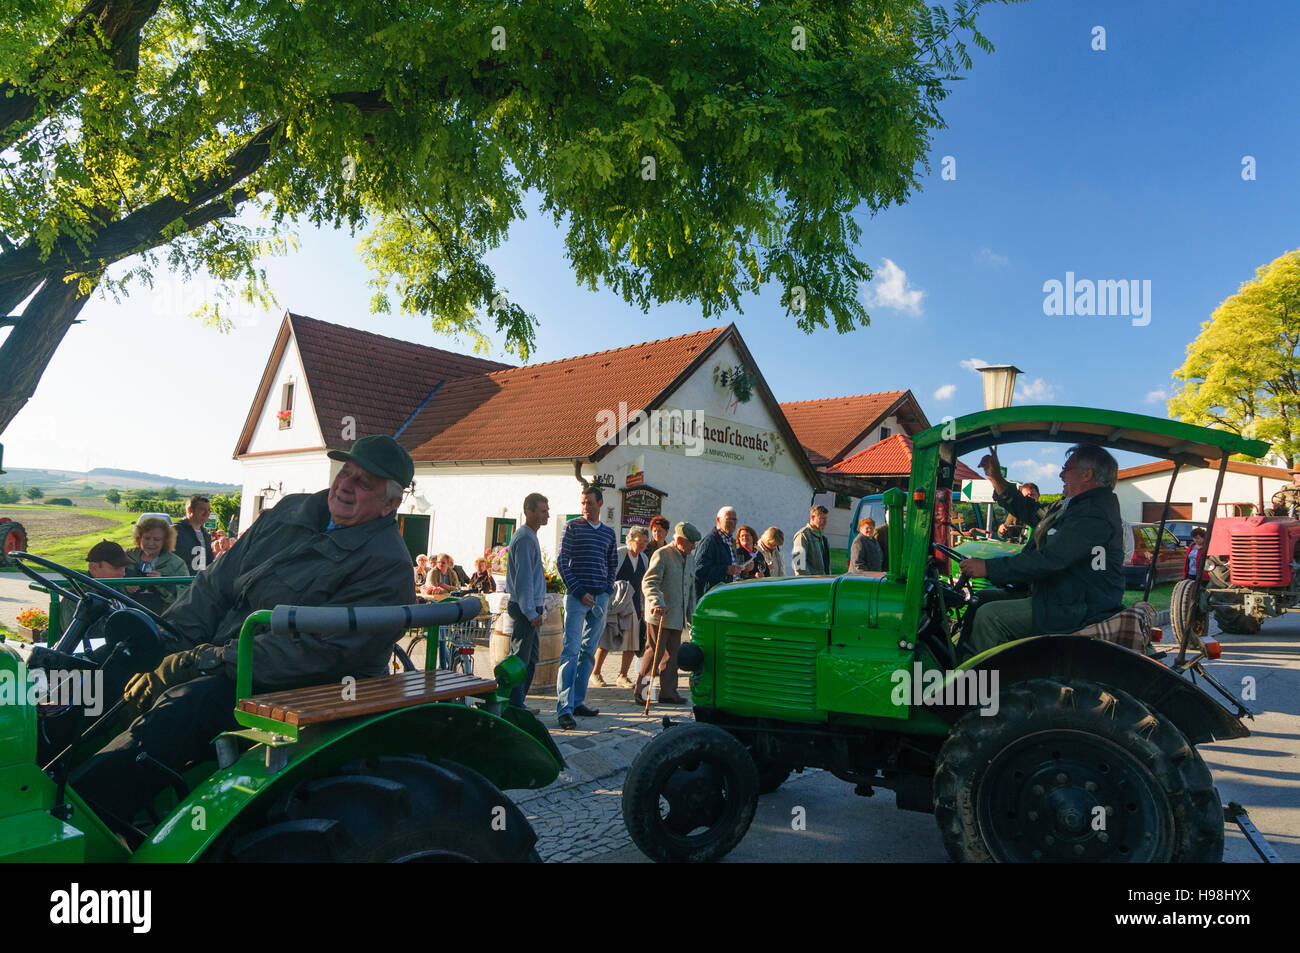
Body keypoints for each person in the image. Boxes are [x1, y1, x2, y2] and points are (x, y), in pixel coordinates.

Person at [69, 434, 417, 840]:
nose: (345, 485)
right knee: (107, 666)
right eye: (346, 471)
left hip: (292, 682)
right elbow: (215, 583)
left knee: (182, 709)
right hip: (224, 655)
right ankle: (39, 779)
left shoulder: (386, 565)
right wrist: (171, 642)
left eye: (364, 483)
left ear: (390, 503)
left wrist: (204, 661)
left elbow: (319, 654)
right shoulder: (291, 510)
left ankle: (79, 826)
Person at [956, 444, 1124, 661]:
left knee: (990, 617)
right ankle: (960, 665)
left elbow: (1050, 560)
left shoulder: (1093, 514)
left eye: (1066, 468)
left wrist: (988, 567)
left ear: (1086, 474)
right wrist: (996, 479)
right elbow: (1032, 511)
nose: (1061, 474)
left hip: (1077, 607)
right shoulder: (1073, 507)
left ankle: (972, 690)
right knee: (981, 598)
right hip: (1061, 595)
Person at [555, 485, 617, 730]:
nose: (585, 507)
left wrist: (606, 591)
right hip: (576, 598)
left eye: (589, 502)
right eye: (582, 503)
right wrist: (580, 592)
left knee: (588, 652)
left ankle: (578, 701)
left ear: (600, 503)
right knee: (570, 651)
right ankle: (564, 708)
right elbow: (562, 561)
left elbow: (612, 564)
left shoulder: (608, 533)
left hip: (600, 599)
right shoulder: (572, 527)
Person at [637, 521, 701, 705]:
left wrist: (691, 616)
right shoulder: (662, 554)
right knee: (653, 654)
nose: (693, 546)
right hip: (660, 615)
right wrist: (657, 602)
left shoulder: (689, 558)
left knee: (672, 656)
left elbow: (690, 590)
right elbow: (649, 582)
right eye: (691, 543)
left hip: (677, 617)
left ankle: (668, 692)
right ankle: (642, 693)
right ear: (680, 540)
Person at [503, 493, 549, 711]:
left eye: (547, 510)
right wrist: (530, 612)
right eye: (542, 510)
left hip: (530, 605)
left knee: (530, 658)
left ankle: (517, 702)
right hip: (525, 607)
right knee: (520, 658)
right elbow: (523, 580)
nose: (546, 514)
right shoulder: (524, 538)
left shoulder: (530, 536)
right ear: (528, 512)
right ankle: (513, 704)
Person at [592, 526, 649, 688]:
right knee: (607, 639)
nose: (642, 545)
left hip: (635, 605)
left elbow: (643, 585)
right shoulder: (618, 554)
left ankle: (623, 675)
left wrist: (643, 607)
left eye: (645, 542)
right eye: (639, 542)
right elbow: (606, 579)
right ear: (630, 541)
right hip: (616, 604)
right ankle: (595, 672)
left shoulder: (644, 558)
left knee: (632, 642)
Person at [125, 516, 190, 613]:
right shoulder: (126, 557)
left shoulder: (176, 563)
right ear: (139, 538)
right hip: (127, 614)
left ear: (165, 541)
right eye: (147, 538)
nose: (150, 543)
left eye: (156, 539)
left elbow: (184, 595)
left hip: (162, 618)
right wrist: (125, 585)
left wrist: (163, 582)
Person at [695, 506, 750, 596]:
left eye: (734, 520)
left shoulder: (730, 541)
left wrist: (744, 568)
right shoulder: (710, 541)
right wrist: (726, 569)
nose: (732, 522)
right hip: (714, 596)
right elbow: (699, 571)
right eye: (728, 519)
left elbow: (732, 568)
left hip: (730, 593)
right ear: (718, 520)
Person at [174, 495, 215, 575]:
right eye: (202, 510)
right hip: (180, 583)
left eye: (209, 510)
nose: (207, 514)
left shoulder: (205, 534)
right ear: (190, 510)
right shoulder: (175, 531)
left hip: (199, 584)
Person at [792, 505, 830, 575]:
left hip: (824, 582)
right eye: (822, 518)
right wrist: (809, 582)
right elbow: (799, 565)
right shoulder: (802, 535)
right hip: (810, 583)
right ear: (812, 517)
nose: (825, 522)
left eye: (826, 518)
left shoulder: (823, 538)